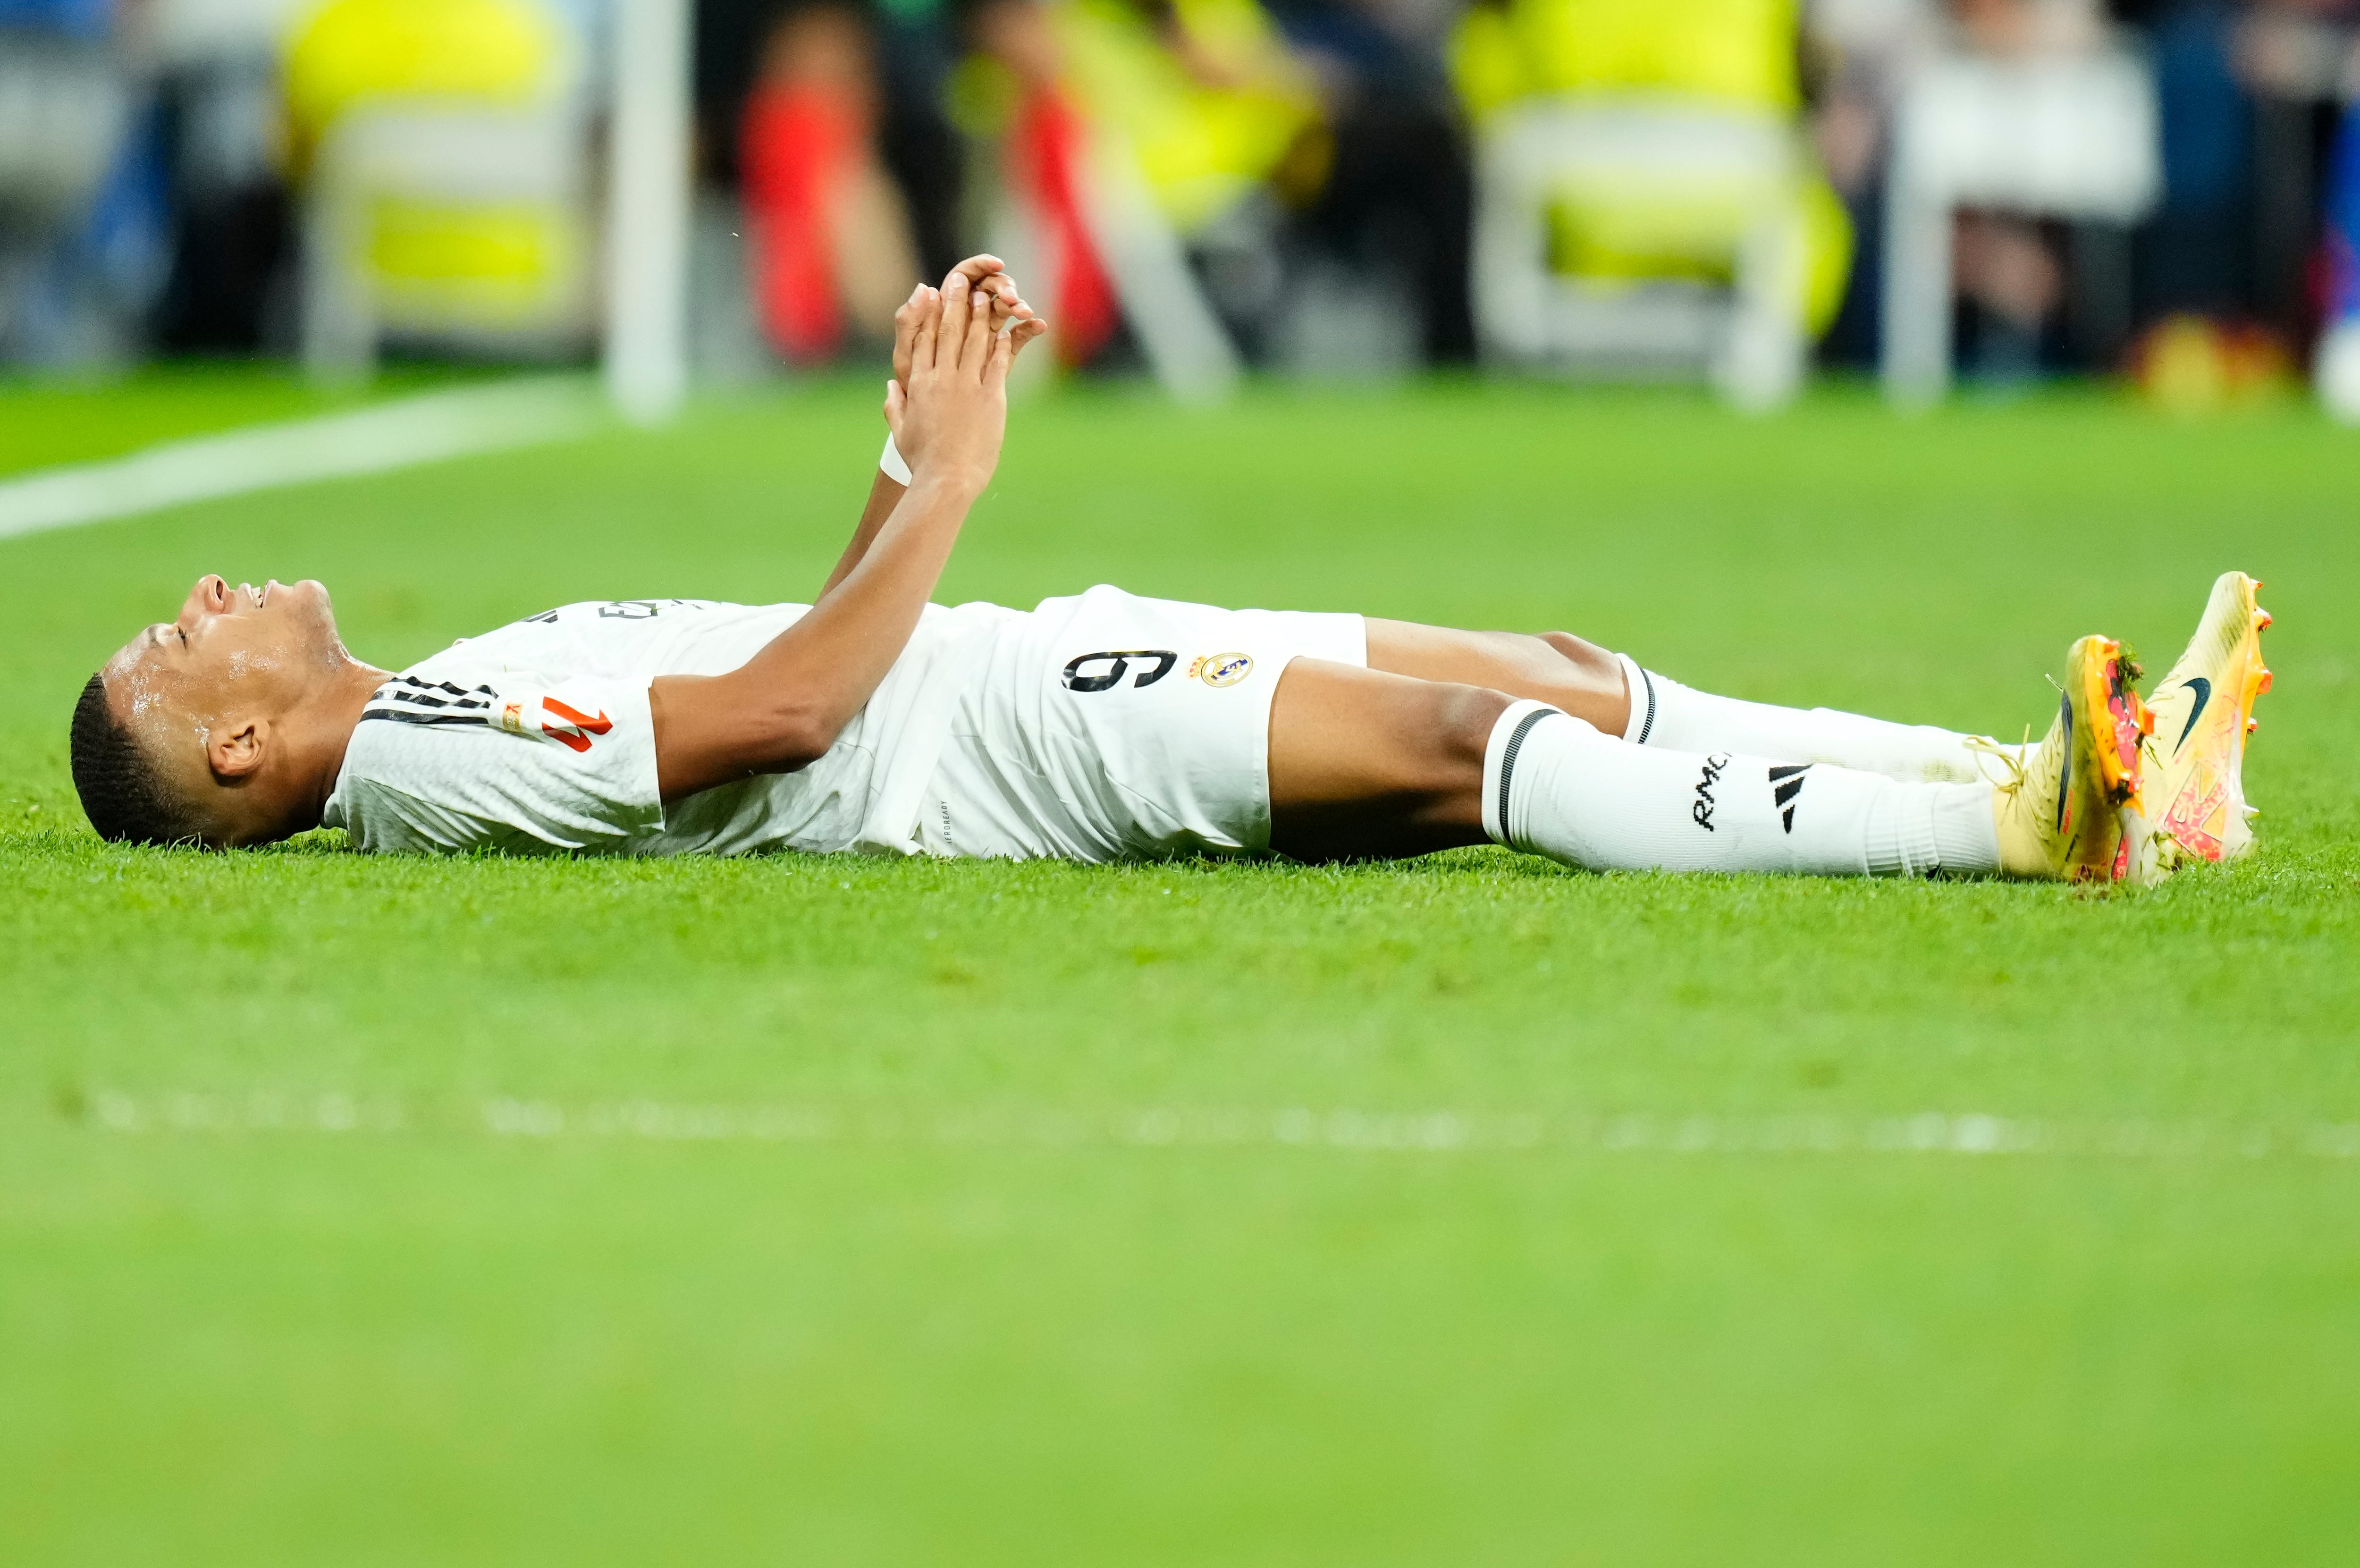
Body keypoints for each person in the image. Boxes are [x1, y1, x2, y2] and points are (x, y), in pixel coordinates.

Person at [68, 257, 2270, 886]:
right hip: (1004, 749)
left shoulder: (441, 697)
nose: (205, 598)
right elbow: (791, 719)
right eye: (176, 651)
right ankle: (2018, 827)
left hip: (1010, 666)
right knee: (1469, 742)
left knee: (1556, 667)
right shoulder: (423, 758)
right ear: (238, 756)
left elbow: (785, 652)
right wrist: (956, 484)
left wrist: (900, 461)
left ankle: (2081, 773)